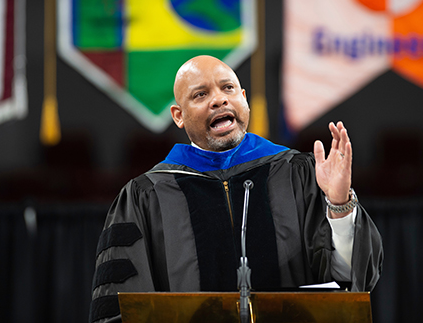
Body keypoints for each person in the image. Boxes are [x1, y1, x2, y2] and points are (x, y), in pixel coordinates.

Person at [89, 55, 383, 323]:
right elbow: (121, 309)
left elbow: (351, 281)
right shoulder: (146, 196)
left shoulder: (298, 174)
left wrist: (339, 203)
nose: (219, 100)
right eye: (201, 94)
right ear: (178, 115)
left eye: (228, 88)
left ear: (244, 99)